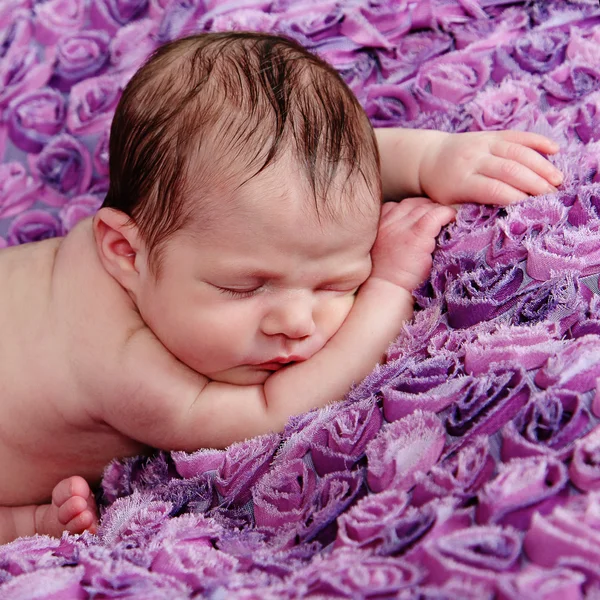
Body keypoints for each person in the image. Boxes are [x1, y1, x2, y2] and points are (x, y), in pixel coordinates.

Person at [0, 32, 563, 544]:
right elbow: (269, 412)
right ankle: (22, 527)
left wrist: (431, 159)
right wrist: (388, 284)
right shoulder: (118, 363)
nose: (296, 322)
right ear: (125, 253)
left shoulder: (187, 233)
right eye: (244, 288)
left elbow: (315, 179)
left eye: (337, 282)